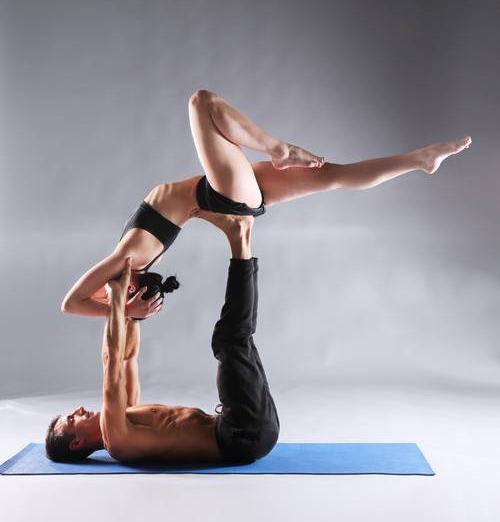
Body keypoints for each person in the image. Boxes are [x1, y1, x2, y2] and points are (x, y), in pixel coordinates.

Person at [61, 89, 471, 320]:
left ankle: (420, 159)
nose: (99, 289)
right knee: (201, 103)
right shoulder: (125, 262)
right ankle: (282, 148)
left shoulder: (133, 264)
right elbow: (71, 303)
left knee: (336, 176)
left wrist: (126, 310)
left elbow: (86, 301)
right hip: (223, 193)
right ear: (126, 287)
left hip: (226, 193)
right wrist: (127, 311)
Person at [46, 212, 280, 465]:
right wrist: (116, 300)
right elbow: (110, 362)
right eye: (72, 420)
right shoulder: (116, 438)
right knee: (231, 339)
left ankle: (242, 239)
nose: (78, 410)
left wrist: (131, 313)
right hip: (239, 436)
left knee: (239, 338)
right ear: (77, 442)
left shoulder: (125, 415)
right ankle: (239, 239)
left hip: (243, 428)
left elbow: (126, 359)